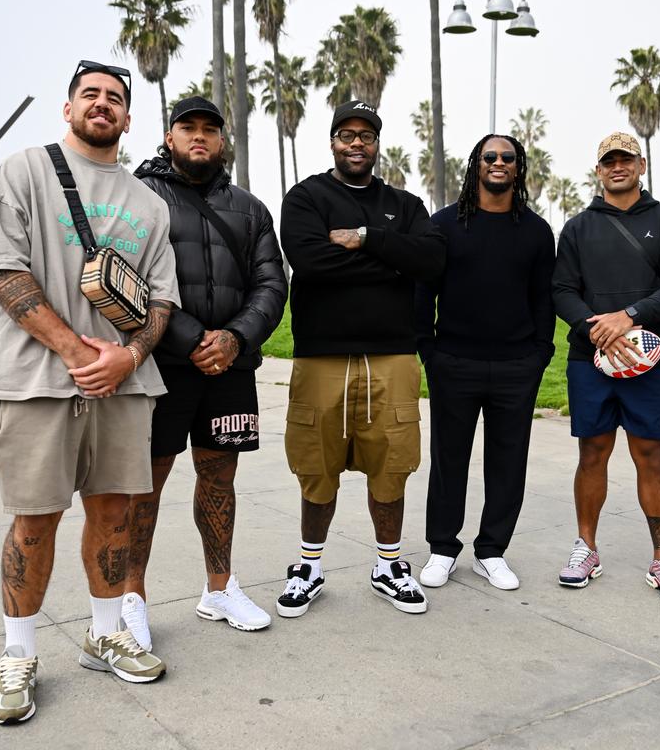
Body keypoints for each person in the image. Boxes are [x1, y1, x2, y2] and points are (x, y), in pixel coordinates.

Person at [0, 60, 179, 725]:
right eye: (91, 94)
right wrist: (80, 353)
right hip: (36, 386)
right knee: (35, 519)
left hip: (125, 386)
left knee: (115, 515)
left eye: (115, 98)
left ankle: (105, 630)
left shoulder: (150, 203)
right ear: (69, 107)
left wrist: (131, 354)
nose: (102, 104)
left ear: (129, 117)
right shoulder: (25, 169)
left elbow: (162, 300)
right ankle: (18, 654)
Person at [117, 96, 288, 647]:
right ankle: (131, 599)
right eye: (187, 128)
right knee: (147, 484)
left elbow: (271, 283)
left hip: (230, 367)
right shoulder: (140, 197)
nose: (199, 137)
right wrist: (192, 339)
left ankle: (219, 588)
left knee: (219, 477)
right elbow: (128, 280)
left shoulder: (250, 207)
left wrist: (236, 338)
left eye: (209, 130)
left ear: (222, 140)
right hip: (161, 366)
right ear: (168, 137)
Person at [277, 100, 446, 616]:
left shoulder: (404, 203)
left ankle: (389, 565)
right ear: (332, 141)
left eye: (366, 135)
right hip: (321, 355)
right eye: (346, 134)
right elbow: (308, 260)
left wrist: (368, 239)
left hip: (392, 355)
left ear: (377, 144)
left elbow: (431, 260)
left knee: (391, 464)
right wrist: (392, 261)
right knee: (316, 465)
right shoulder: (307, 197)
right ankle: (309, 565)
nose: (356, 143)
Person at [552, 132, 660, 602]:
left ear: (642, 164)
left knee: (651, 457)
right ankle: (586, 548)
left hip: (650, 360)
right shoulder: (577, 227)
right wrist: (594, 327)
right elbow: (562, 290)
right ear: (598, 170)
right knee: (592, 453)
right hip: (590, 358)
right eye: (609, 161)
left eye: (626, 159)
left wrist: (628, 317)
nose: (618, 167)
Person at [415, 134, 555, 591]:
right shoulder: (443, 225)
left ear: (519, 168)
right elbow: (423, 295)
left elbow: (543, 300)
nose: (498, 163)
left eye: (507, 157)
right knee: (448, 459)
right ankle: (442, 548)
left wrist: (540, 355)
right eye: (489, 156)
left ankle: (491, 551)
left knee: (508, 462)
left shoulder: (536, 231)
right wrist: (430, 353)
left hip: (517, 366)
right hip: (454, 362)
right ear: (476, 164)